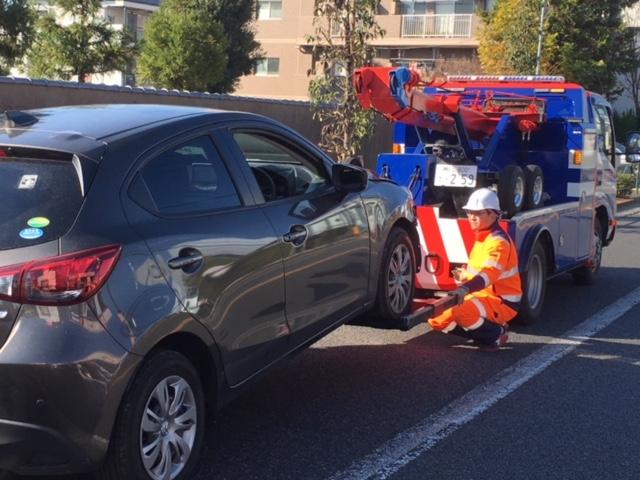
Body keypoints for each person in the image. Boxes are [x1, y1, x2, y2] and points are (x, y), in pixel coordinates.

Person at [428, 188, 522, 350]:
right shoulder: (483, 237)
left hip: (502, 301)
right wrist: (464, 274)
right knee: (436, 320)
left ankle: (494, 335)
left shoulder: (498, 243)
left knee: (460, 311)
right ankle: (484, 332)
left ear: (493, 214)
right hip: (482, 295)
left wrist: (465, 288)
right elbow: (478, 271)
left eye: (478, 213)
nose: (471, 217)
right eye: (470, 212)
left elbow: (488, 275)